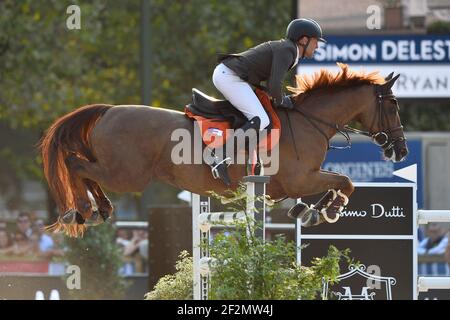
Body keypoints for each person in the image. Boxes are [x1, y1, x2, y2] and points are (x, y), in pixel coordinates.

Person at [209, 18, 326, 184]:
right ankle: (218, 154)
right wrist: (282, 100)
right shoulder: (288, 50)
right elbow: (274, 84)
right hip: (230, 77)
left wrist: (280, 99)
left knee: (261, 115)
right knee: (261, 120)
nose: (317, 47)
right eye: (316, 41)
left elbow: (272, 85)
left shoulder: (289, 50)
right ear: (304, 40)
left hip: (233, 76)